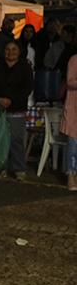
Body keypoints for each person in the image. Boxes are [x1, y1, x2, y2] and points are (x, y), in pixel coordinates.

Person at [0, 40, 34, 180]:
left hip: (16, 108)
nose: (10, 52)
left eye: (14, 49)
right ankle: (0, 167)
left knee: (16, 139)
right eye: (7, 49)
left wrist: (11, 99)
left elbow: (27, 88)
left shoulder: (25, 68)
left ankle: (19, 169)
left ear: (19, 51)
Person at [63, 49, 77, 191]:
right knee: (73, 144)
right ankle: (71, 175)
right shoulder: (74, 59)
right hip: (74, 108)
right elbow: (70, 82)